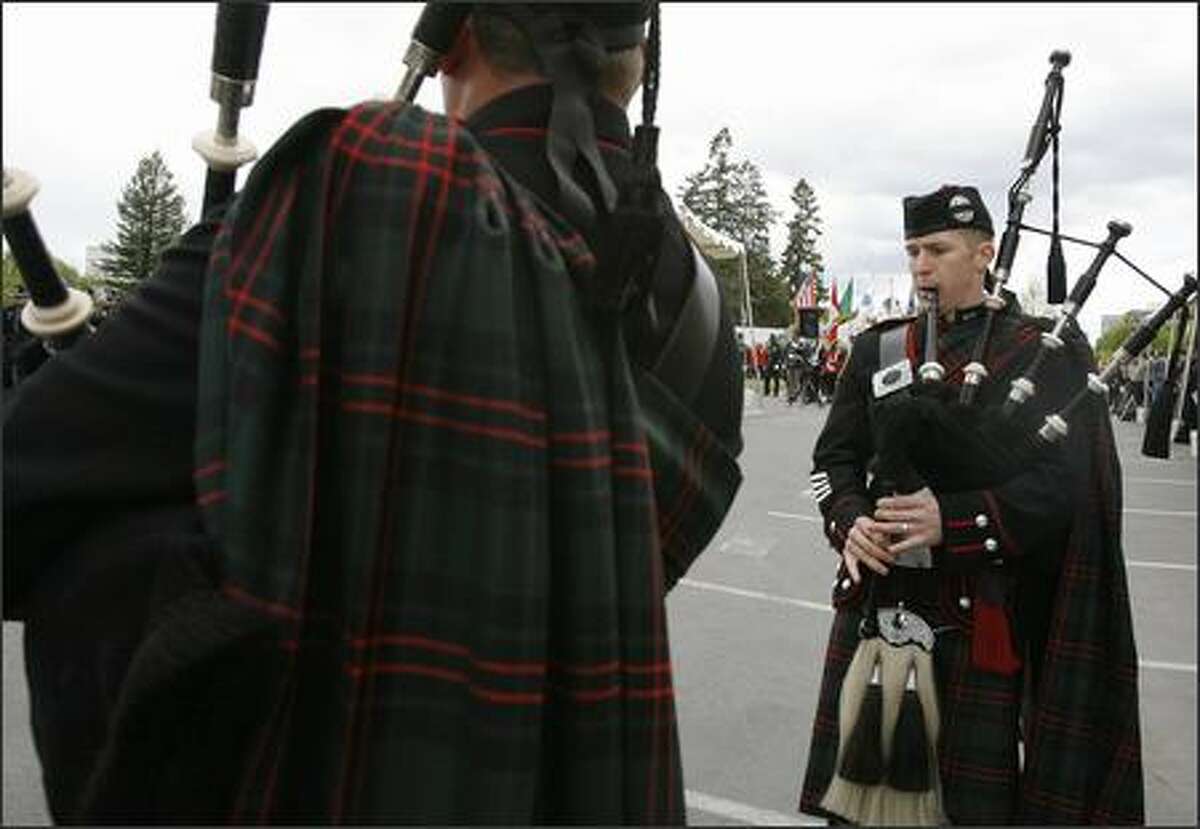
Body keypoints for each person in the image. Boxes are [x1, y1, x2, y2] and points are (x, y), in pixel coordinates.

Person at [3, 3, 745, 823]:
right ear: (638, 59)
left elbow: (20, 500)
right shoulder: (703, 322)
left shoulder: (351, 208)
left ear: (453, 36)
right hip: (578, 784)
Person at [797, 184, 1143, 824]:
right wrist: (848, 523)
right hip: (875, 603)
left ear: (985, 253)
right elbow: (834, 460)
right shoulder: (877, 348)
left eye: (937, 249)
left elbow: (1063, 489)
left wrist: (951, 523)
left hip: (978, 614)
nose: (920, 266)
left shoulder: (1037, 351)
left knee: (966, 812)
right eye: (911, 251)